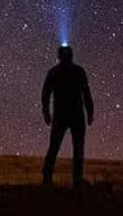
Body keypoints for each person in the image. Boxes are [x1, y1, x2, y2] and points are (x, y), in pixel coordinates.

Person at [40, 43, 94, 188]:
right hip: (76, 115)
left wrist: (46, 112)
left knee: (54, 146)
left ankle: (47, 177)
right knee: (77, 148)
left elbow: (45, 94)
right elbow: (86, 94)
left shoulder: (54, 72)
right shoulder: (78, 71)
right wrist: (90, 112)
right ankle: (76, 179)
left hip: (61, 115)